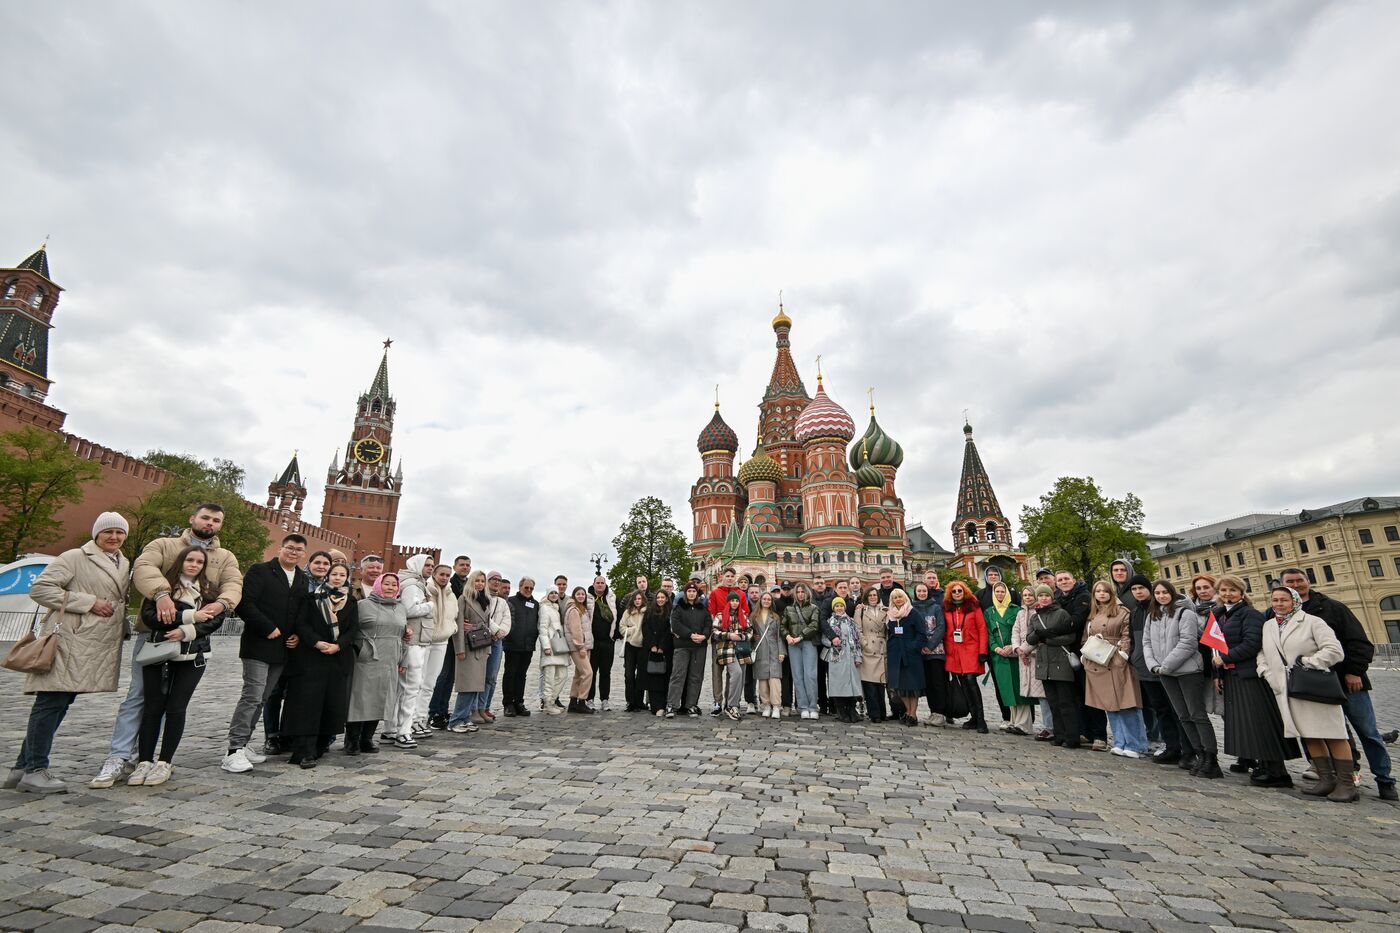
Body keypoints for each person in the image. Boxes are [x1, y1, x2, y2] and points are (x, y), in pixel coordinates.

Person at [89, 504, 241, 790]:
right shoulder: (164, 544)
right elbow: (144, 568)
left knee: (172, 703)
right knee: (140, 697)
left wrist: (222, 603)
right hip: (155, 638)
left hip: (192, 643)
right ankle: (120, 757)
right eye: (205, 517)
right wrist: (161, 594)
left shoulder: (224, 557)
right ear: (192, 519)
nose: (209, 523)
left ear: (220, 525)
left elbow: (234, 584)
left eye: (216, 520)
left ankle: (152, 757)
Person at [7, 514, 131, 795]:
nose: (114, 537)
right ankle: (35, 770)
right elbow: (40, 589)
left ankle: (20, 769)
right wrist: (89, 603)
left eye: (119, 532)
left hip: (89, 642)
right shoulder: (76, 556)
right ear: (96, 533)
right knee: (50, 702)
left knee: (59, 701)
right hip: (69, 639)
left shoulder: (122, 562)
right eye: (108, 532)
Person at [1280, 568, 1395, 801]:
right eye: (1289, 582)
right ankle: (1343, 779)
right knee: (1327, 733)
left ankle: (1385, 780)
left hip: (1345, 681)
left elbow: (1359, 643)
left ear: (1308, 582)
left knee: (1368, 732)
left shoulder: (1333, 608)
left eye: (1299, 580)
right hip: (1311, 685)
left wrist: (1355, 673)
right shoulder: (1282, 614)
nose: (1296, 585)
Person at [123, 546, 228, 787]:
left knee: (176, 708)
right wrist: (190, 617)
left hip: (193, 655)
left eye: (199, 562)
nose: (194, 565)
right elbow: (150, 617)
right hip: (158, 652)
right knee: (152, 708)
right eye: (189, 560)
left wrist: (186, 631)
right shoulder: (162, 589)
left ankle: (164, 762)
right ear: (180, 561)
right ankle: (144, 761)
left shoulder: (209, 590)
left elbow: (214, 620)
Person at [1256, 586, 1355, 803]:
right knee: (1308, 733)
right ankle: (1325, 779)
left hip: (1314, 685)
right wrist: (1265, 671)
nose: (1279, 604)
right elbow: (1262, 652)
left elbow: (1334, 650)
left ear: (1295, 601)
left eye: (1284, 600)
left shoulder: (1312, 622)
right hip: (1286, 688)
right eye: (1275, 600)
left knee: (1334, 733)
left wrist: (1308, 664)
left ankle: (1347, 783)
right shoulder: (1269, 625)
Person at [222, 533, 308, 774]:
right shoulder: (260, 571)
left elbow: (300, 612)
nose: (293, 552)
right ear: (280, 549)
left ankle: (245, 744)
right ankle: (233, 749)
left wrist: (297, 635)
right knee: (252, 695)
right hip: (258, 644)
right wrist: (267, 627)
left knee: (262, 697)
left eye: (298, 550)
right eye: (289, 548)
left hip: (282, 649)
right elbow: (245, 603)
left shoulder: (301, 578)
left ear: (303, 554)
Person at [1212, 574, 1297, 788]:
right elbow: (1215, 645)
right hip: (1231, 675)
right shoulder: (1220, 615)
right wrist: (1218, 673)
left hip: (1249, 675)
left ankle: (1276, 770)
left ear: (1241, 593)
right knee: (1248, 723)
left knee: (1261, 722)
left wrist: (1225, 658)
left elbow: (1252, 644)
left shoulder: (1249, 614)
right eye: (1223, 590)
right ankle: (1261, 764)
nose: (1227, 594)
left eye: (1232, 590)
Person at [1143, 580, 1221, 778]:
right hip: (1164, 672)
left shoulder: (1186, 613)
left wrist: (1166, 665)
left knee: (1197, 714)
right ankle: (1199, 753)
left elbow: (1188, 642)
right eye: (1157, 593)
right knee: (1183, 716)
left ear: (1172, 592)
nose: (1161, 596)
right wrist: (1153, 664)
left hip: (1187, 671)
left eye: (1164, 592)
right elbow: (1146, 642)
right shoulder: (1153, 615)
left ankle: (1211, 758)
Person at [283, 562, 357, 764]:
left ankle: (320, 746)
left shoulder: (350, 602)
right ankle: (303, 751)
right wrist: (316, 642)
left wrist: (338, 646)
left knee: (330, 706)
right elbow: (301, 623)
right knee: (307, 705)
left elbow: (352, 631)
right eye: (334, 574)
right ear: (328, 576)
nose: (337, 578)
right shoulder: (311, 599)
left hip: (337, 659)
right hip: (310, 658)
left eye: (342, 575)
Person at [1082, 581, 1147, 757]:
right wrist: (1085, 656)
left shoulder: (1122, 611)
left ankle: (1135, 744)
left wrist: (1122, 655)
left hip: (1116, 661)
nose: (1101, 594)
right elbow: (1086, 637)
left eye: (1105, 591)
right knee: (1109, 704)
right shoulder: (1093, 614)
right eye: (1098, 591)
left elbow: (1127, 635)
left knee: (1126, 703)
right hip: (1098, 661)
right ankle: (1120, 741)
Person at [346, 573, 408, 753]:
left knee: (381, 698)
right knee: (360, 698)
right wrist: (361, 648)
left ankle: (368, 738)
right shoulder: (362, 605)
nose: (390, 587)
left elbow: (404, 635)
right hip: (367, 658)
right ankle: (352, 739)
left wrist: (403, 657)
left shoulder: (401, 608)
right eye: (386, 584)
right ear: (378, 585)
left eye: (394, 585)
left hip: (390, 658)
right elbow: (350, 629)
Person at [1124, 574, 1181, 764]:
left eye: (1141, 588)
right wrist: (1134, 657)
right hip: (1144, 666)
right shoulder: (1135, 612)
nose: (1138, 592)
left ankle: (1182, 746)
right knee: (1160, 708)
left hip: (1164, 666)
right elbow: (1135, 639)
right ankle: (1171, 746)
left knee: (1174, 708)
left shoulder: (1156, 609)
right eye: (1134, 589)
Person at [1025, 584, 1081, 749]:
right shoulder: (1035, 618)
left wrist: (1048, 640)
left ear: (1051, 597)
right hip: (1044, 663)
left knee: (1066, 702)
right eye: (1040, 596)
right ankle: (1059, 734)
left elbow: (1070, 637)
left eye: (1046, 595)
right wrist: (1038, 635)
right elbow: (1029, 639)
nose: (1043, 598)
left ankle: (1072, 737)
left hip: (1061, 662)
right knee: (1053, 703)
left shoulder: (1061, 613)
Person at [390, 554, 436, 747]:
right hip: (414, 642)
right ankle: (404, 731)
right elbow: (409, 609)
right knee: (411, 687)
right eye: (427, 565)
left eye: (432, 565)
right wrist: (430, 606)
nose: (430, 568)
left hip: (417, 640)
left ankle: (390, 729)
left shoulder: (417, 583)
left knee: (403, 688)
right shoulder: (412, 585)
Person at [412, 562, 457, 731]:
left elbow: (454, 615)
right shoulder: (426, 590)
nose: (444, 578)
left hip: (442, 641)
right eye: (441, 574)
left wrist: (452, 628)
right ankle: (413, 719)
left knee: (430, 682)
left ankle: (421, 719)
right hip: (425, 640)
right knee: (419, 681)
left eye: (447, 575)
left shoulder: (451, 594)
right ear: (434, 575)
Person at [447, 571, 494, 731]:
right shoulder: (463, 599)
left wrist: (488, 650)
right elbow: (459, 625)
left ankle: (466, 717)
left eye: (482, 581)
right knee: (467, 685)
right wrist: (459, 649)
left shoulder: (485, 601)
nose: (480, 584)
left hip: (481, 646)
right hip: (468, 646)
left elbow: (487, 626)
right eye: (477, 581)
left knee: (476, 686)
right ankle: (456, 720)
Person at [429, 555, 472, 727]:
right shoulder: (450, 585)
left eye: (468, 565)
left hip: (458, 636)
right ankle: (434, 712)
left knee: (450, 677)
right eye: (462, 565)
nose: (465, 567)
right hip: (444, 635)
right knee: (442, 675)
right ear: (455, 567)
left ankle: (443, 709)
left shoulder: (467, 585)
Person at [985, 582, 1033, 735]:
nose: (999, 594)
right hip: (999, 656)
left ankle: (1024, 723)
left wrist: (1012, 646)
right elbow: (988, 633)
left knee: (1020, 688)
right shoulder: (989, 612)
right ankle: (1013, 720)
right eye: (997, 591)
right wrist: (996, 648)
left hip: (1015, 653)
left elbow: (1021, 631)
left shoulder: (1016, 610)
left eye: (1002, 591)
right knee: (1007, 689)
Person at [1055, 570, 1096, 747]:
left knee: (1087, 691)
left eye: (1066, 579)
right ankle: (1080, 730)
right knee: (1073, 694)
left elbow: (1077, 620)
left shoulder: (1083, 596)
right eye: (1060, 580)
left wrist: (1052, 629)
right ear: (1056, 584)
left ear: (1073, 580)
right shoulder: (1058, 598)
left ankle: (1094, 732)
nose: (1064, 582)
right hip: (1066, 650)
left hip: (1082, 648)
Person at [943, 581, 988, 733]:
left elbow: (982, 629)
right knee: (962, 683)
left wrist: (983, 651)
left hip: (971, 649)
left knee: (971, 680)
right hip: (954, 650)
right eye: (954, 591)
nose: (957, 593)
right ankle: (973, 717)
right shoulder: (947, 609)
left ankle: (981, 718)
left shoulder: (973, 606)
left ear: (965, 592)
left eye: (959, 590)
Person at [667, 582, 710, 717]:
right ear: (685, 593)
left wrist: (704, 636)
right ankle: (672, 705)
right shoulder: (679, 608)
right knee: (678, 676)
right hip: (683, 645)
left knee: (695, 677)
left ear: (697, 594)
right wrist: (690, 635)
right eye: (689, 591)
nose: (691, 594)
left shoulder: (702, 609)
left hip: (699, 647)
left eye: (694, 591)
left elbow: (708, 624)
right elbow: (676, 625)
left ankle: (691, 704)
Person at [884, 588, 926, 726]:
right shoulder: (890, 615)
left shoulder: (913, 613)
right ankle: (907, 712)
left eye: (900, 597)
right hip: (895, 653)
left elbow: (921, 633)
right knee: (900, 685)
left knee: (912, 686)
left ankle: (913, 714)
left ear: (905, 598)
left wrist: (913, 647)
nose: (898, 599)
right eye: (895, 597)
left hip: (911, 654)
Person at [1010, 585, 1046, 739]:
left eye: (1030, 595)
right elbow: (1015, 632)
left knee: (1043, 693)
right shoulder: (1020, 613)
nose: (1028, 598)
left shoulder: (1040, 612)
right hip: (1023, 656)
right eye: (1025, 595)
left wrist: (1026, 649)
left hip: (1037, 655)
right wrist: (1017, 648)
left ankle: (1048, 726)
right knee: (1029, 690)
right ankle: (1024, 725)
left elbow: (1038, 634)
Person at [910, 582, 948, 727]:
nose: (921, 593)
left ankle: (940, 712)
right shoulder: (912, 608)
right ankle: (933, 712)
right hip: (920, 653)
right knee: (928, 684)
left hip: (936, 651)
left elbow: (940, 627)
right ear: (915, 593)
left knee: (938, 683)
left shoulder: (936, 607)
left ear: (928, 592)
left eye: (924, 591)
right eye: (919, 591)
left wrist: (930, 645)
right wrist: (920, 646)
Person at [501, 577, 540, 718]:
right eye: (526, 588)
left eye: (531, 588)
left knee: (521, 675)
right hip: (512, 644)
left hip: (528, 645)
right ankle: (508, 704)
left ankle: (519, 702)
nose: (529, 590)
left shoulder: (535, 604)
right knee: (510, 674)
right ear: (520, 587)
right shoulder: (510, 601)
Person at [781, 583, 821, 720]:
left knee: (810, 675)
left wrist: (801, 636)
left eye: (802, 592)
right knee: (797, 676)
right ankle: (803, 706)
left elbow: (814, 625)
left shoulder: (814, 608)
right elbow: (783, 626)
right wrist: (787, 636)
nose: (800, 594)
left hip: (807, 642)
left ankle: (813, 706)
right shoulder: (788, 609)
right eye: (798, 592)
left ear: (807, 593)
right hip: (793, 644)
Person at [821, 597, 863, 723]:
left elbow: (856, 639)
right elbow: (824, 639)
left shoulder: (850, 621)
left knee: (852, 684)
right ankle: (841, 711)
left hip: (850, 656)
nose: (839, 608)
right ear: (833, 608)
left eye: (841, 606)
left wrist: (858, 656)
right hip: (837, 657)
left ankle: (851, 709)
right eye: (837, 606)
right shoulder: (830, 622)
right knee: (838, 684)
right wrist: (832, 642)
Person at [711, 591, 751, 720]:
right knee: (737, 673)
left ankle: (734, 704)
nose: (735, 603)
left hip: (741, 650)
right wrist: (728, 635)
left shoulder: (743, 616)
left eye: (737, 601)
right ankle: (731, 705)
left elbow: (750, 630)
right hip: (727, 650)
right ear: (728, 602)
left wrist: (742, 636)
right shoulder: (721, 616)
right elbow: (714, 632)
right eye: (732, 601)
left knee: (740, 676)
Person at [1189, 573, 1223, 718]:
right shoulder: (1190, 610)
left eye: (1206, 587)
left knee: (1226, 706)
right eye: (1198, 588)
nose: (1202, 591)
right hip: (1202, 664)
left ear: (1215, 588)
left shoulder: (1223, 607)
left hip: (1222, 661)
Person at [855, 587, 889, 723]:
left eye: (875, 595)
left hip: (881, 648)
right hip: (868, 648)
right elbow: (858, 629)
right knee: (869, 684)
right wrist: (865, 644)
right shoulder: (861, 611)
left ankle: (882, 712)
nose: (873, 597)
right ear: (866, 597)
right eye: (870, 595)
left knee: (881, 684)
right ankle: (874, 714)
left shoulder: (885, 611)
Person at [585, 576, 618, 710]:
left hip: (608, 642)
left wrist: (615, 635)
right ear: (593, 584)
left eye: (602, 583)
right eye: (597, 583)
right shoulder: (587, 598)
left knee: (606, 672)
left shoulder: (612, 598)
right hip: (593, 642)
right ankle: (590, 699)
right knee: (591, 672)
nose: (600, 585)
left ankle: (605, 699)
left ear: (605, 585)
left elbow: (619, 615)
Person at [619, 575, 651, 711]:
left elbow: (651, 627)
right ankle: (630, 702)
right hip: (630, 646)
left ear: (643, 600)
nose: (638, 601)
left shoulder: (647, 612)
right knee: (629, 674)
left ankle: (639, 702)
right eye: (635, 599)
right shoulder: (627, 612)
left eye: (640, 599)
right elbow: (621, 627)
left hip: (643, 647)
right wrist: (630, 631)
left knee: (642, 675)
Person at [750, 592, 784, 718]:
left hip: (773, 649)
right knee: (763, 679)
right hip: (760, 650)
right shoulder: (754, 616)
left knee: (774, 679)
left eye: (769, 599)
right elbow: (750, 632)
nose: (766, 601)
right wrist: (753, 637)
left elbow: (779, 635)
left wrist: (781, 651)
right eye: (764, 599)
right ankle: (766, 704)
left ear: (771, 602)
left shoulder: (775, 617)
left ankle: (776, 706)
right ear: (760, 600)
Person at [536, 589, 569, 714]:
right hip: (550, 646)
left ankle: (552, 700)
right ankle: (548, 704)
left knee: (562, 675)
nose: (554, 595)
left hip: (558, 645)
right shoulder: (544, 608)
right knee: (549, 678)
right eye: (551, 593)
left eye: (555, 593)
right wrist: (546, 646)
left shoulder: (556, 608)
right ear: (547, 595)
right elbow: (543, 628)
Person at [642, 590, 674, 715]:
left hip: (666, 649)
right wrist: (653, 645)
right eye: (658, 597)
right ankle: (655, 706)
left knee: (666, 677)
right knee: (654, 678)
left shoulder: (671, 612)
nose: (660, 599)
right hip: (652, 649)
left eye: (663, 597)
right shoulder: (649, 612)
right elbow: (646, 628)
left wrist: (662, 646)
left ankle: (665, 704)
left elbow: (670, 631)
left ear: (666, 599)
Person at [565, 587, 595, 713]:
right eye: (578, 594)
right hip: (578, 647)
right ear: (574, 595)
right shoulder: (574, 610)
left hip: (585, 646)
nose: (581, 596)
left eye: (583, 594)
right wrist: (580, 647)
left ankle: (573, 702)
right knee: (588, 673)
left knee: (579, 674)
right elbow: (576, 630)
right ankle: (582, 701)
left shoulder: (582, 609)